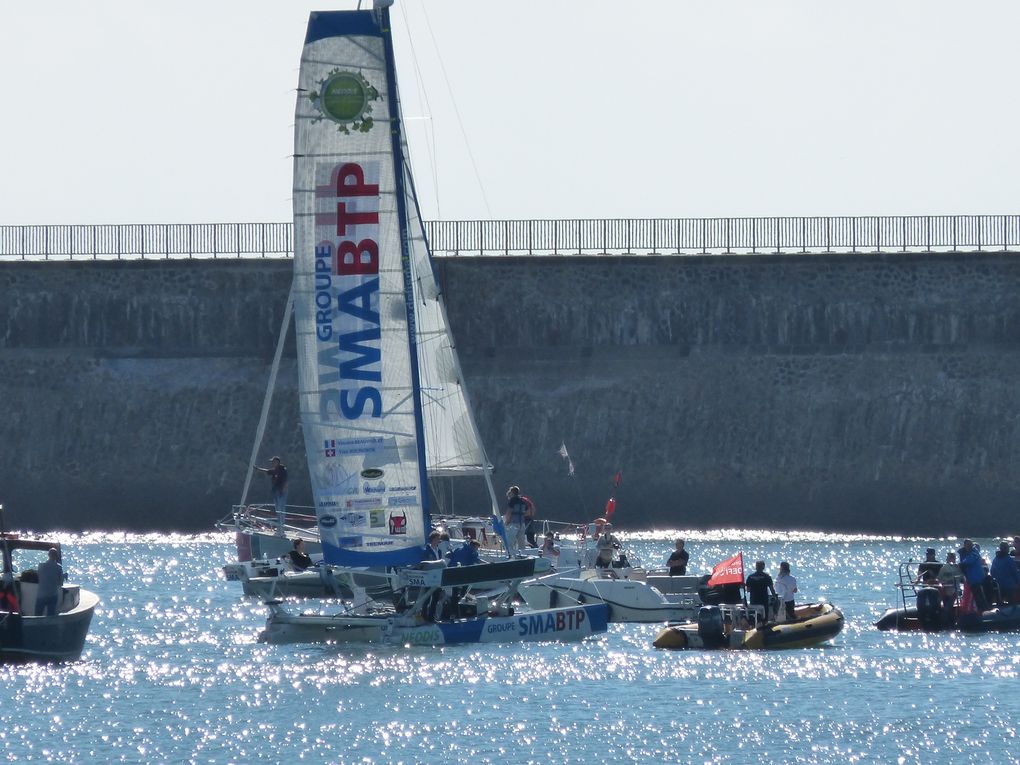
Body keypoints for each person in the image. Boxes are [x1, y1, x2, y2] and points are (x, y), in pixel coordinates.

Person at [256, 456, 288, 534]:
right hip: (276, 492)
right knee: (278, 509)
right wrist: (257, 469)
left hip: (281, 492)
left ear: (277, 462)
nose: (272, 463)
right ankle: (279, 527)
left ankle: (281, 527)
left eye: (273, 462)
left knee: (281, 510)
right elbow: (267, 471)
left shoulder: (282, 470)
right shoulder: (275, 470)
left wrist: (283, 491)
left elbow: (286, 481)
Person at [958, 539, 989, 613]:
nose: (969, 546)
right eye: (967, 545)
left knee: (979, 597)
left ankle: (984, 612)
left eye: (970, 545)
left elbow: (969, 561)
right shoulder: (966, 554)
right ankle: (978, 611)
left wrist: (961, 564)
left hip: (976, 579)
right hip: (971, 580)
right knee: (976, 597)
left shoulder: (974, 553)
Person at [35, 548, 63, 617]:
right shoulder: (59, 567)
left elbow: (38, 578)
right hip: (52, 594)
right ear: (56, 556)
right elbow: (60, 583)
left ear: (48, 555)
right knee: (50, 616)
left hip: (41, 594)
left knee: (37, 616)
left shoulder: (41, 566)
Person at [990, 541, 1020, 605]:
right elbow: (1015, 573)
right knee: (1012, 604)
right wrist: (1018, 582)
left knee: (1000, 604)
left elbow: (992, 572)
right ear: (1006, 549)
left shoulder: (995, 559)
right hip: (1010, 586)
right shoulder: (1009, 560)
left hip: (999, 585)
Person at [504, 486, 529, 554]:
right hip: (522, 524)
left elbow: (509, 512)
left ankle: (509, 555)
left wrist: (506, 522)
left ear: (512, 492)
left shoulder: (512, 500)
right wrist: (521, 515)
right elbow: (528, 512)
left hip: (513, 524)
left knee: (510, 542)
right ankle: (523, 556)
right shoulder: (523, 501)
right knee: (521, 543)